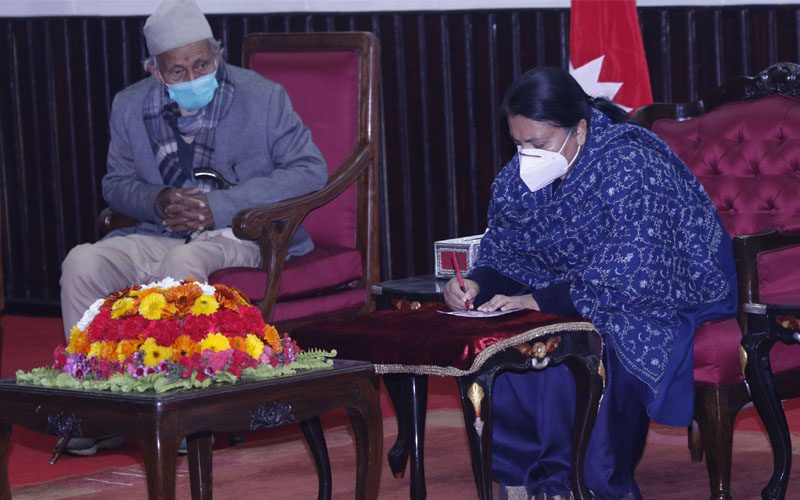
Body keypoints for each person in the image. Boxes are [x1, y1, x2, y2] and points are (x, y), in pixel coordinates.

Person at [443, 67, 737, 499]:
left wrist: (537, 299)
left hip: (661, 292)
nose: (527, 155)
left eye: (538, 144)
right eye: (519, 144)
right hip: (565, 294)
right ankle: (522, 480)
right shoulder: (521, 177)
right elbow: (508, 252)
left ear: (579, 130)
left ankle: (581, 484)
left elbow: (636, 269)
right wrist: (476, 283)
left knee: (578, 347)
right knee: (504, 344)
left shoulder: (631, 163)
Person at [58, 0, 327, 456]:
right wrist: (157, 199)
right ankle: (99, 408)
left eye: (202, 64)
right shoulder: (130, 105)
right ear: (156, 72)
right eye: (178, 71)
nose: (192, 76)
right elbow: (115, 183)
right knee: (81, 262)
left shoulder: (262, 97)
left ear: (217, 54)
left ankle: (182, 413)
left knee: (182, 261)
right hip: (158, 229)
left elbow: (309, 170)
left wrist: (218, 206)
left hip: (241, 233)